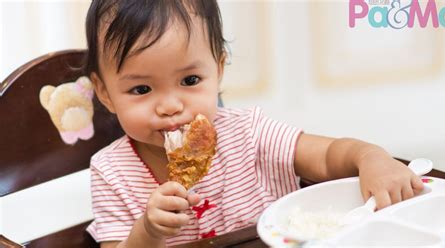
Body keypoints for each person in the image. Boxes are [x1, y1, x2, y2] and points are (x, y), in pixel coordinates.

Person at [84, 1, 424, 247]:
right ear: (106, 93)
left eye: (190, 80)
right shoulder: (111, 172)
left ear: (217, 69)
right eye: (141, 89)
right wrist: (149, 232)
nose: (171, 106)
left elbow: (327, 156)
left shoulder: (248, 132)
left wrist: (371, 157)